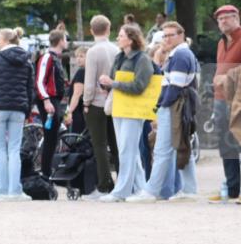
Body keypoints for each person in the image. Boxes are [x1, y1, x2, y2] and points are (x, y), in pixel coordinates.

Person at [127, 21, 200, 203]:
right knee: (182, 146)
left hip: (175, 106)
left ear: (181, 35)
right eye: (164, 35)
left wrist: (161, 106)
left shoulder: (181, 55)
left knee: (162, 150)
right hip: (178, 106)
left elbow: (174, 87)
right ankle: (190, 190)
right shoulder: (179, 54)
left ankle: (151, 191)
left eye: (170, 35)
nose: (166, 39)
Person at [207, 4, 241, 204]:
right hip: (221, 99)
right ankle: (231, 189)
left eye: (227, 18)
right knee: (225, 144)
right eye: (220, 20)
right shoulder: (222, 42)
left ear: (236, 18)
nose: (223, 22)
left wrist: (228, 77)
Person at [97, 23, 155, 202]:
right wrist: (105, 83)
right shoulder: (120, 57)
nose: (118, 38)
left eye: (121, 35)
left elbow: (139, 86)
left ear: (131, 39)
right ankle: (141, 189)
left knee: (126, 150)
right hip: (120, 107)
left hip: (133, 109)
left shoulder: (142, 59)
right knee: (129, 150)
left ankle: (121, 191)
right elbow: (114, 79)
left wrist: (113, 84)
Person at [0, 27, 35, 201]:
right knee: (14, 149)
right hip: (19, 109)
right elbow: (30, 88)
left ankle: (2, 191)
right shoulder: (26, 61)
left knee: (0, 149)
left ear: (5, 40)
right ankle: (15, 190)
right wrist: (27, 109)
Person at [82, 14, 119, 195]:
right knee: (117, 143)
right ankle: (123, 180)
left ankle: (105, 183)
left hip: (97, 102)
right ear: (109, 29)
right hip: (115, 100)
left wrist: (86, 102)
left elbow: (90, 82)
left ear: (91, 30)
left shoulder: (93, 52)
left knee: (100, 145)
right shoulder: (117, 49)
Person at [35, 29, 69, 178]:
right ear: (60, 41)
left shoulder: (56, 58)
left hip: (54, 100)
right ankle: (45, 172)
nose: (67, 42)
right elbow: (39, 81)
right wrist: (46, 100)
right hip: (49, 100)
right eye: (65, 39)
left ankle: (47, 171)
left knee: (52, 137)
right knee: (50, 138)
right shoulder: (47, 57)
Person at [66, 46, 88, 134]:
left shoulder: (81, 72)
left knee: (76, 140)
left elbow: (77, 94)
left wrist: (69, 111)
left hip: (77, 111)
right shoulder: (88, 71)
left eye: (81, 56)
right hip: (83, 110)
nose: (78, 59)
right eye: (77, 56)